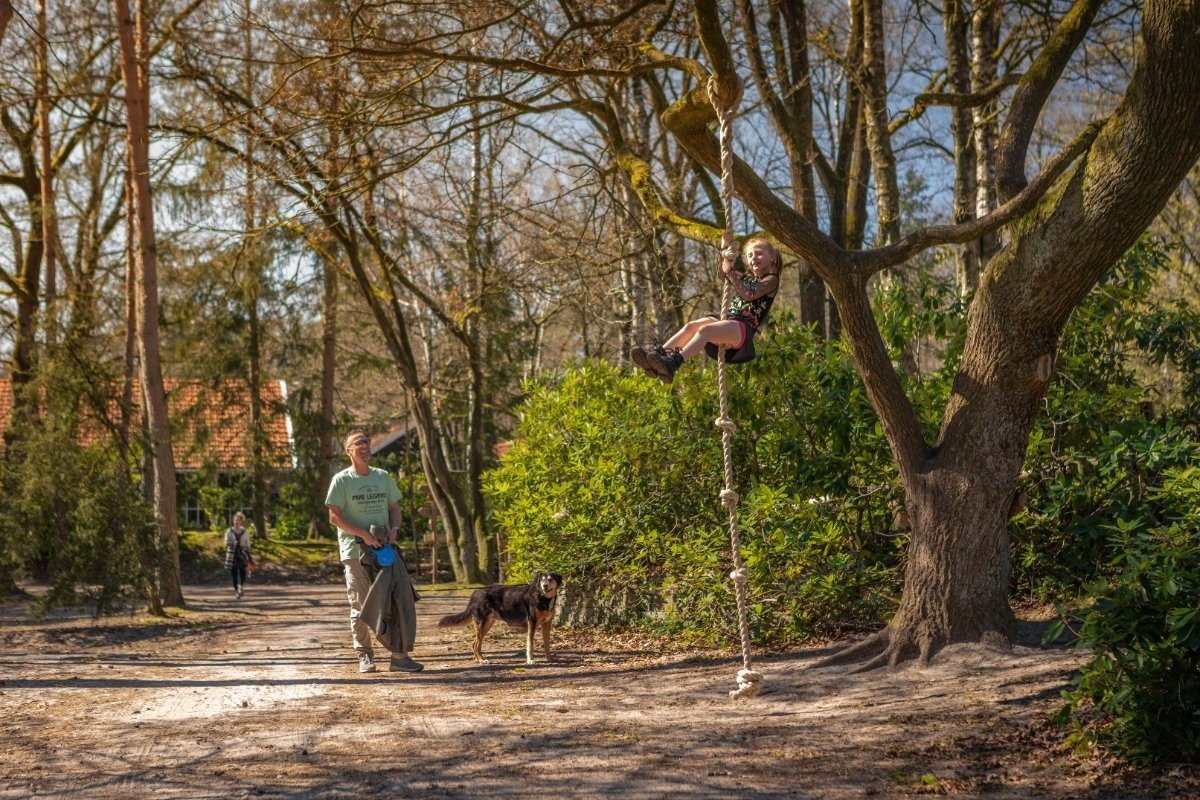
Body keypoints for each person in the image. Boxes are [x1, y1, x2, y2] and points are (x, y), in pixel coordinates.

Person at [325, 430, 424, 674]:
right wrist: (363, 534)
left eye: (367, 441)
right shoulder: (341, 480)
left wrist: (395, 529)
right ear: (349, 451)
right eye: (358, 442)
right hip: (356, 551)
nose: (365, 445)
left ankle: (399, 657)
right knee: (360, 605)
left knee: (395, 601)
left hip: (384, 552)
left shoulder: (382, 477)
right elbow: (334, 517)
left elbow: (395, 509)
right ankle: (365, 656)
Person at [631, 235, 781, 383]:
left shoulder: (771, 280)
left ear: (772, 257)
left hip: (742, 327)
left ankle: (673, 363)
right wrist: (724, 250)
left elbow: (749, 294)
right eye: (750, 255)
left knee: (705, 331)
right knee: (692, 326)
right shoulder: (746, 278)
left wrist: (729, 271)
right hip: (729, 318)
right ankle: (659, 357)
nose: (754, 257)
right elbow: (722, 274)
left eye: (759, 253)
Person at [223, 512, 252, 600]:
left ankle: (241, 586)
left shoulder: (244, 531)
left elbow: (248, 543)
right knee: (234, 573)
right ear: (233, 521)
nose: (236, 522)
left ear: (241, 521)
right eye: (235, 520)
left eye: (238, 520)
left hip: (242, 554)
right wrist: (232, 543)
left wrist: (248, 553)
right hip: (232, 554)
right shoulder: (229, 531)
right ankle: (236, 591)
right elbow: (226, 542)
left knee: (243, 572)